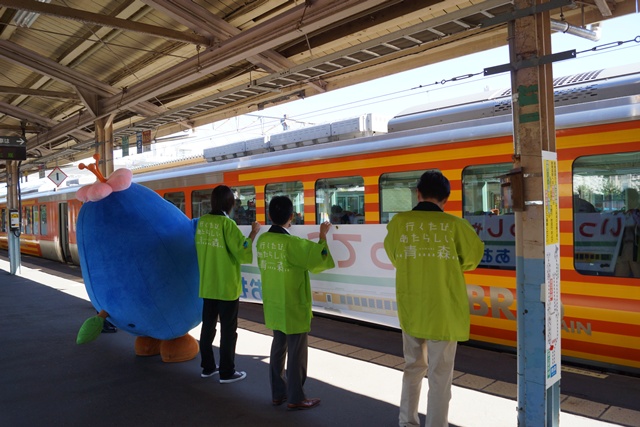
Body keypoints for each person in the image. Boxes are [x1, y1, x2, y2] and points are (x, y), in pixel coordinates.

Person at [383, 171, 484, 427]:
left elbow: (395, 257)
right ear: (446, 198)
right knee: (440, 376)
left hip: (412, 306)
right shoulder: (456, 226)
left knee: (412, 368)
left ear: (418, 193)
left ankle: (407, 422)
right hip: (444, 310)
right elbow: (472, 260)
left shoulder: (399, 223)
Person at [256, 196, 335, 410]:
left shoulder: (263, 241)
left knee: (278, 346)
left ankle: (278, 393)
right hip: (293, 304)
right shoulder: (293, 243)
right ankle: (296, 397)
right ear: (291, 216)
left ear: (270, 216)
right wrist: (322, 237)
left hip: (273, 303)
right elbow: (319, 259)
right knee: (297, 351)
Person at [195, 185, 261, 383]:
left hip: (208, 284)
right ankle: (227, 371)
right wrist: (253, 233)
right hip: (226, 286)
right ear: (230, 203)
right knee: (228, 330)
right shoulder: (227, 224)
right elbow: (241, 251)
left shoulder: (203, 222)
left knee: (208, 327)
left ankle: (207, 367)